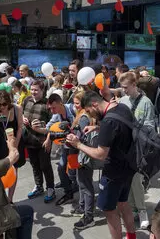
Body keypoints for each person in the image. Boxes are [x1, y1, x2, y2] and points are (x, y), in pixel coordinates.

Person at [66, 91, 136, 239]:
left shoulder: (108, 122)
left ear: (94, 104)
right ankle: (131, 236)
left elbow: (100, 154)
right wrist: (98, 128)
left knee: (109, 211)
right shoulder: (122, 108)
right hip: (129, 167)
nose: (91, 116)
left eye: (90, 111)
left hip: (113, 173)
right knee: (123, 203)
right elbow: (120, 129)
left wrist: (78, 144)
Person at [118, 72, 155, 229]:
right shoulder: (123, 100)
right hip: (123, 147)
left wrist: (135, 128)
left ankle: (142, 211)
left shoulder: (146, 103)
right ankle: (132, 208)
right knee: (127, 180)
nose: (123, 90)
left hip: (138, 148)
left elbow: (150, 126)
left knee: (136, 181)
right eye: (122, 87)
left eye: (126, 87)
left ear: (134, 85)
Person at [22, 80, 55, 203]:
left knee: (45, 166)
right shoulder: (27, 100)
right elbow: (21, 114)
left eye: (36, 90)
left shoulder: (48, 104)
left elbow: (53, 125)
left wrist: (48, 140)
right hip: (29, 139)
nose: (33, 92)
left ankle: (51, 188)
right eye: (32, 89)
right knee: (35, 165)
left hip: (42, 141)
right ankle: (39, 186)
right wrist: (23, 118)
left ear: (42, 91)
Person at [0, 90, 24, 203]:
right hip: (1, 144)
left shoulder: (17, 108)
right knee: (1, 171)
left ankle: (10, 199)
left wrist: (15, 146)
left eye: (4, 104)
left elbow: (19, 128)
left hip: (15, 141)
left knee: (14, 170)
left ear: (9, 102)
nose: (2, 107)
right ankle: (2, 198)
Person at [70, 91, 97, 230]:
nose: (74, 106)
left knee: (86, 185)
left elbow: (81, 138)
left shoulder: (83, 118)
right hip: (84, 154)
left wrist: (71, 138)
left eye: (77, 103)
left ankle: (88, 216)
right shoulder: (84, 115)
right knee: (83, 183)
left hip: (84, 155)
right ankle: (83, 208)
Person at [45, 93, 78, 206]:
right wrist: (48, 138)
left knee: (76, 170)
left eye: (54, 107)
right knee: (61, 168)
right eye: (50, 108)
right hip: (66, 145)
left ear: (60, 103)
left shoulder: (73, 109)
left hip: (78, 145)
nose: (52, 110)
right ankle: (68, 192)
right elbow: (49, 127)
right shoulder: (56, 114)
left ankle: (78, 190)